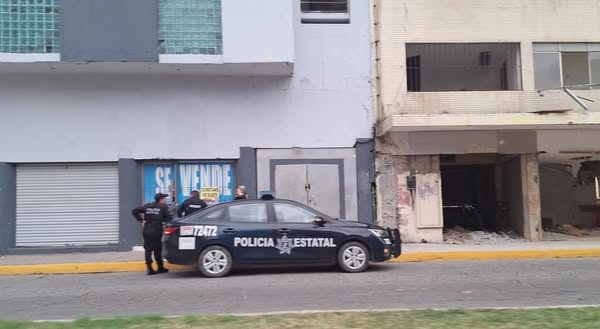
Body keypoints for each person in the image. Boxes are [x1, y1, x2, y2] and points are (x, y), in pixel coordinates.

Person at [132, 193, 173, 275]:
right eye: (164, 198)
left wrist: (141, 220)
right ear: (161, 199)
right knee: (157, 249)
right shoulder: (163, 207)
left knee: (148, 250)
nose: (165, 200)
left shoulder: (148, 206)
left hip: (147, 230)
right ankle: (160, 267)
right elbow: (169, 217)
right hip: (156, 230)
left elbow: (134, 211)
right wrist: (164, 221)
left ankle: (149, 268)